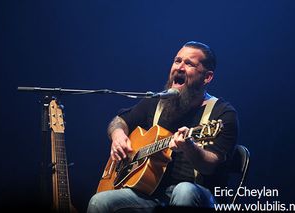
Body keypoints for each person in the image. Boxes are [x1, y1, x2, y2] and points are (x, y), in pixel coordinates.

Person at [87, 41, 238, 212]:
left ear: (207, 77)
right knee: (99, 201)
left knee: (184, 190)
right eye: (177, 61)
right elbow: (119, 120)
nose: (179, 67)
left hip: (200, 195)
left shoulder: (222, 114)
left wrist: (189, 147)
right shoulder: (158, 102)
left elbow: (211, 166)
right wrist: (118, 135)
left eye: (189, 63)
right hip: (151, 194)